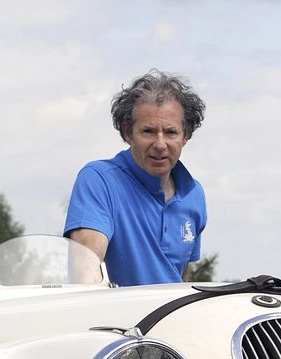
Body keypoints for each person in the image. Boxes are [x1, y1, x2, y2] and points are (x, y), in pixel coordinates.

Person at [64, 70, 207, 286]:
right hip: (117, 309)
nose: (160, 144)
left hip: (174, 309)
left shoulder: (194, 194)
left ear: (185, 135)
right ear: (127, 132)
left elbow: (181, 275)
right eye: (148, 131)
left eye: (170, 132)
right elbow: (85, 270)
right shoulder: (98, 180)